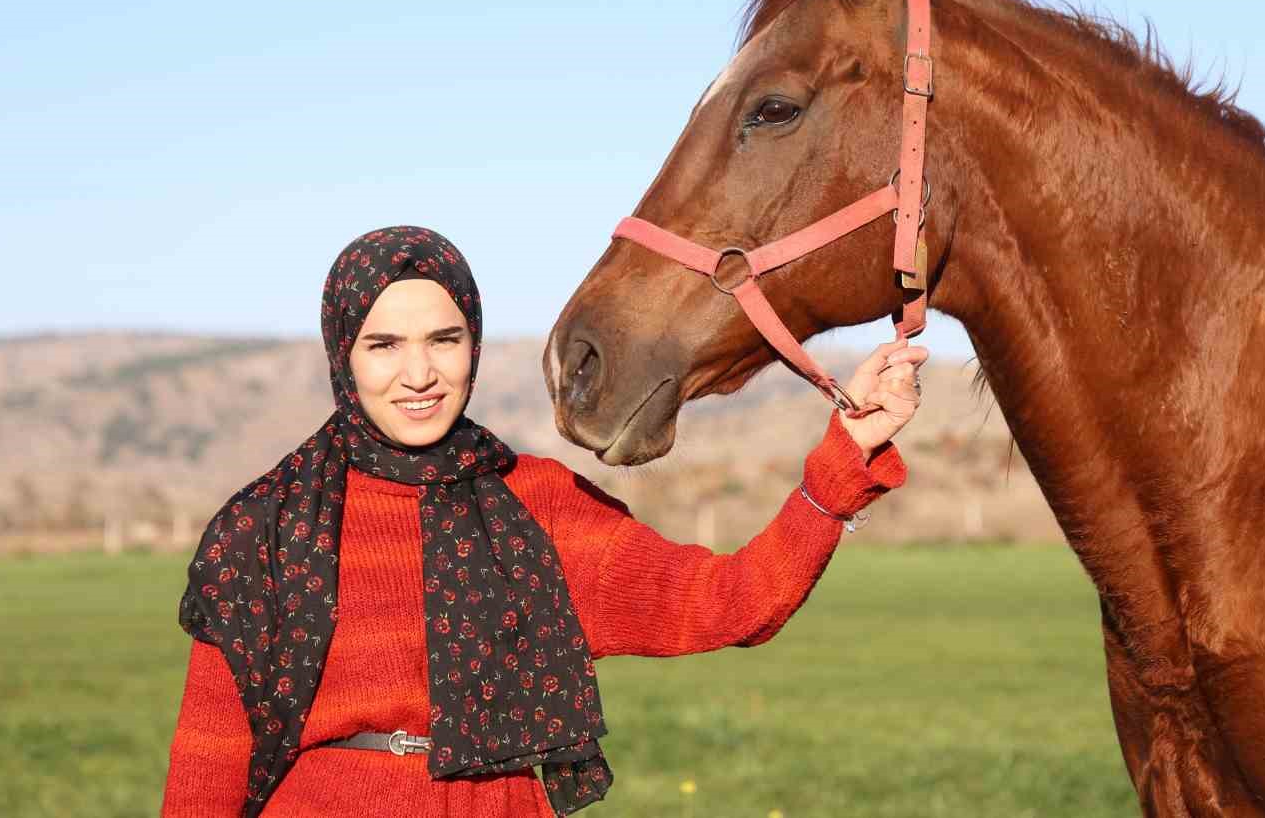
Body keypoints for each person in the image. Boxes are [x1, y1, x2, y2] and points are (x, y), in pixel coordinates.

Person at [161, 226, 925, 818]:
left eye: (444, 340)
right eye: (384, 345)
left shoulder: (539, 504)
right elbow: (208, 764)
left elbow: (732, 601)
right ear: (344, 354)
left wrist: (843, 458)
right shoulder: (268, 529)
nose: (419, 374)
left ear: (475, 346)